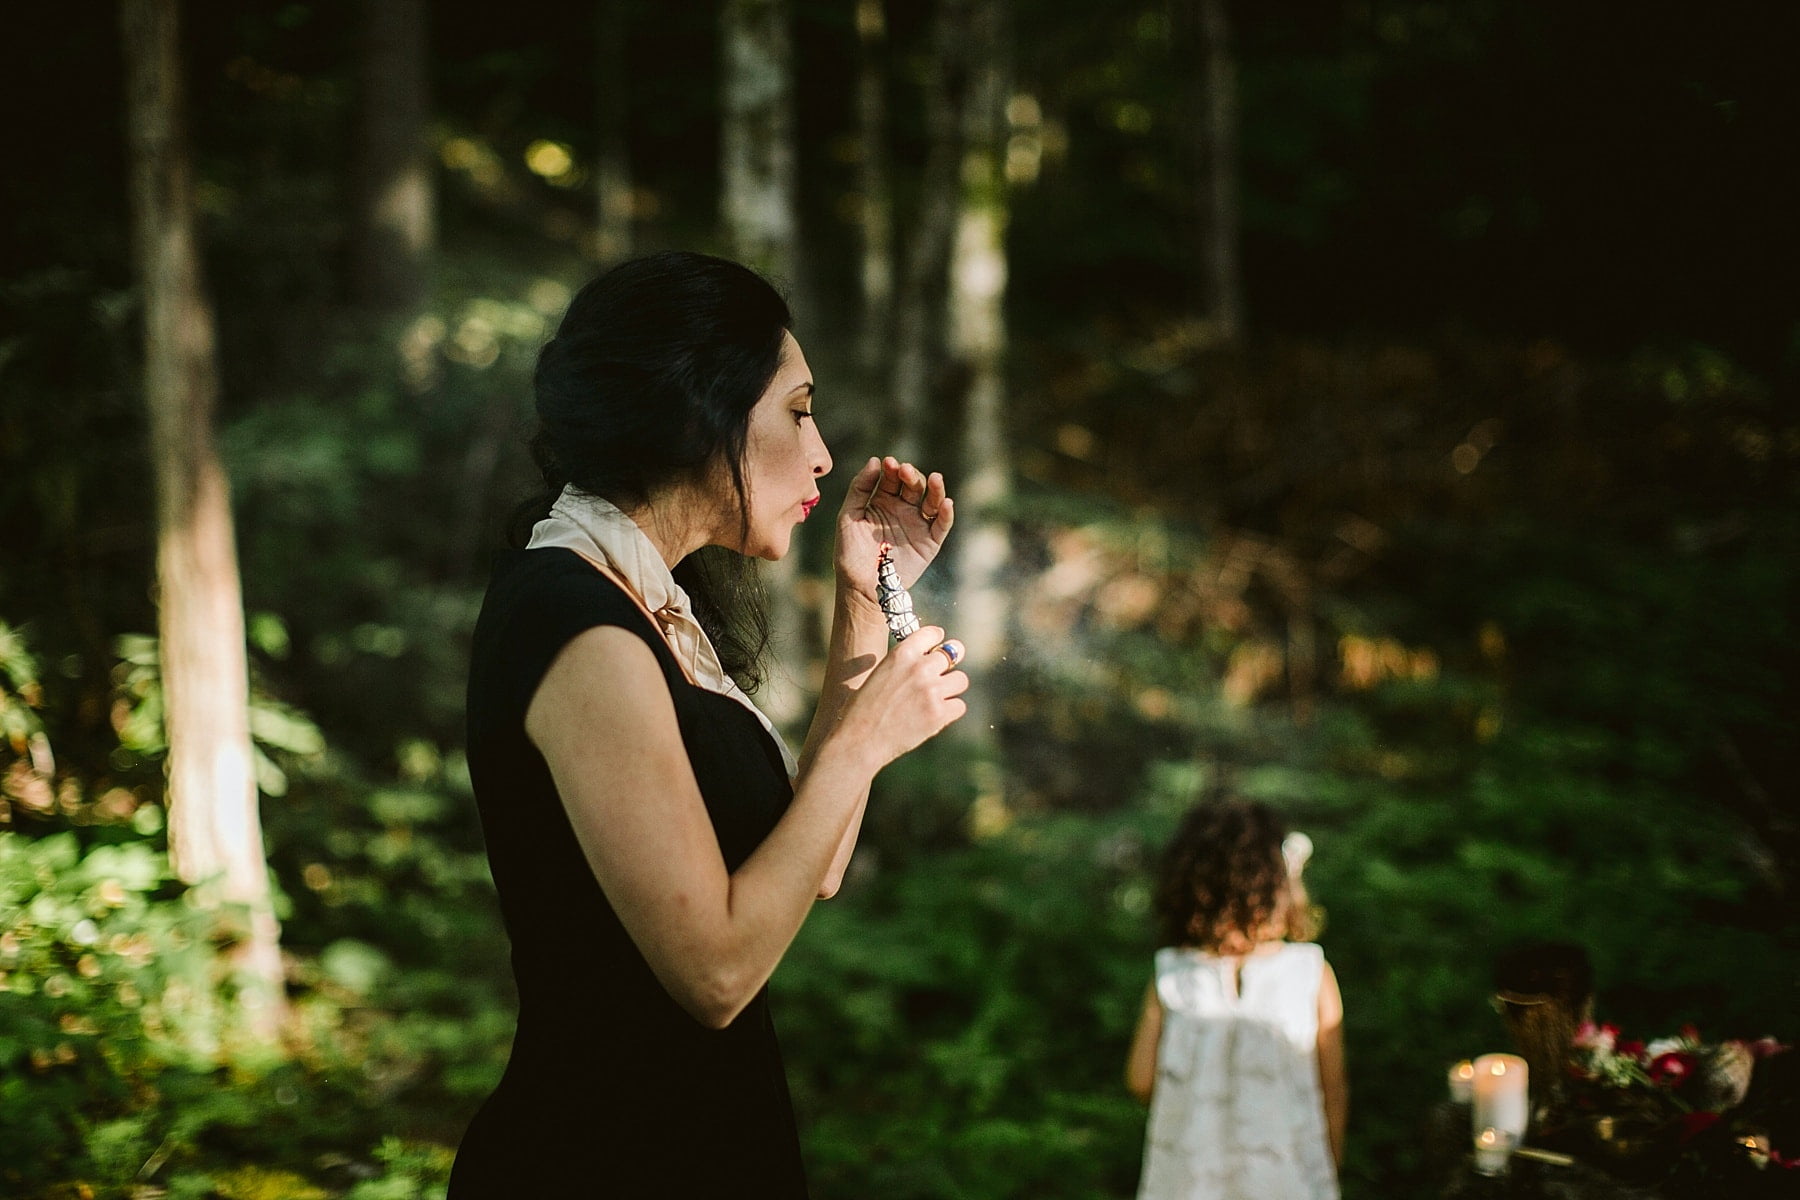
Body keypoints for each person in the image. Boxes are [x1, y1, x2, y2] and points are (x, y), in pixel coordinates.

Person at [448, 251, 969, 1196]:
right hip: (606, 1161)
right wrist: (863, 742)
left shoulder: (653, 606)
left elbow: (814, 863)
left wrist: (864, 596)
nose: (822, 452)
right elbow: (718, 974)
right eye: (800, 409)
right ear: (701, 410)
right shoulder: (578, 623)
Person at [1125, 797, 1348, 1200]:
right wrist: (1325, 1172)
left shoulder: (1172, 975)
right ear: (1278, 886)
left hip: (1190, 1182)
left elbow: (1140, 1079)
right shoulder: (1311, 972)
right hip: (1287, 1181)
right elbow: (1332, 1088)